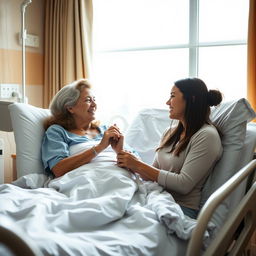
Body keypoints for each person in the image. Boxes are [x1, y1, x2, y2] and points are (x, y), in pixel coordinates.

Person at [117, 78, 223, 219]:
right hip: (155, 197)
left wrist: (137, 164)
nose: (167, 102)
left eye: (172, 96)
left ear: (192, 99)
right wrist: (126, 158)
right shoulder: (170, 132)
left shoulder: (207, 135)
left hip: (180, 207)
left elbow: (184, 184)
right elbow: (152, 176)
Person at [41, 78, 124, 178]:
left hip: (121, 177)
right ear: (70, 108)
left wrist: (120, 151)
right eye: (88, 100)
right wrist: (100, 147)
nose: (94, 105)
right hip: (87, 180)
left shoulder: (106, 130)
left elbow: (135, 162)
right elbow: (58, 169)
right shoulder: (57, 132)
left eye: (94, 99)